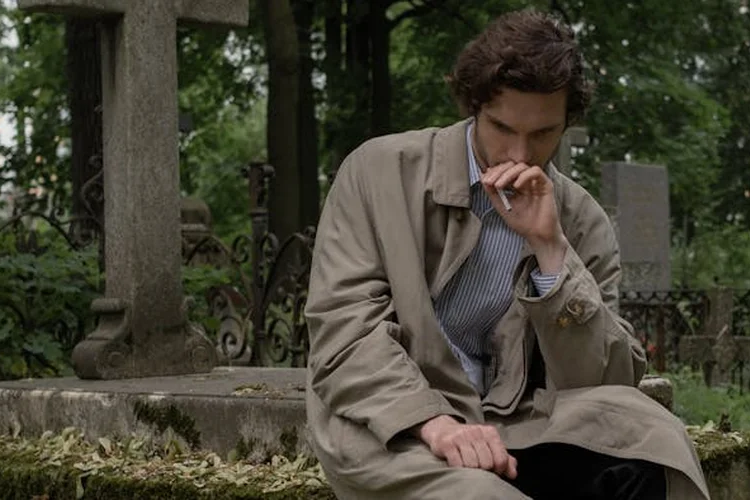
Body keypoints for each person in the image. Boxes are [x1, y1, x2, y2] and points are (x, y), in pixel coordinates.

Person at [304, 9, 711, 500]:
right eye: (501, 127)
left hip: (516, 422)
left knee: (657, 447)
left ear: (566, 123)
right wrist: (435, 423)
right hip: (395, 426)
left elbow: (606, 382)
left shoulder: (579, 218)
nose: (519, 153)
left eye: (543, 134)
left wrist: (552, 252)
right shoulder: (378, 172)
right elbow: (345, 334)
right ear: (473, 106)